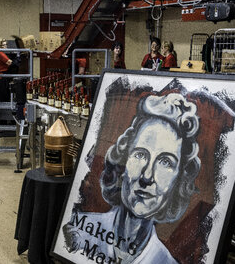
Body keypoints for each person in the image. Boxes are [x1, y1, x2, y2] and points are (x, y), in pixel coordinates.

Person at [63, 93, 201, 263]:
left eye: (165, 162)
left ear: (178, 180)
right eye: (141, 154)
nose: (147, 176)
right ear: (123, 162)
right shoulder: (77, 229)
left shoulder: (165, 261)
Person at [0, 38, 13, 102]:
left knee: (1, 94)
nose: (6, 46)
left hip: (0, 76)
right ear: (0, 46)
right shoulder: (0, 53)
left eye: (6, 45)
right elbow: (9, 62)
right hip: (2, 76)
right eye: (4, 45)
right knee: (4, 94)